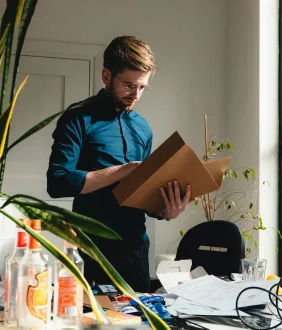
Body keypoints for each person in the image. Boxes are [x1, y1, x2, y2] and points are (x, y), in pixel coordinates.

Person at [47, 36, 192, 293]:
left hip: (135, 252)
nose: (135, 94)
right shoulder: (78, 118)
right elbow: (57, 181)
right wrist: (124, 171)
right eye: (128, 85)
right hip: (91, 250)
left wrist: (166, 211)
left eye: (142, 87)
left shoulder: (143, 128)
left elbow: (144, 197)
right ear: (106, 76)